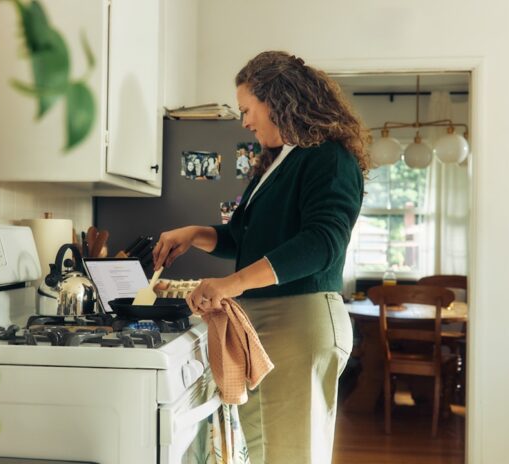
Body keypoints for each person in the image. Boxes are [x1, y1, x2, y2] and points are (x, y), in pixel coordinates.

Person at [152, 51, 370, 464]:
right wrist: (194, 234)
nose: (245, 122)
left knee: (291, 455)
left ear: (279, 100)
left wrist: (230, 284)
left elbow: (322, 242)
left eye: (247, 109)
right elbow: (245, 240)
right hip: (264, 322)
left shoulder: (328, 157)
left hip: (299, 321)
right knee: (261, 452)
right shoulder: (280, 161)